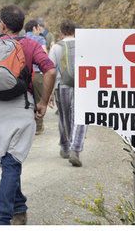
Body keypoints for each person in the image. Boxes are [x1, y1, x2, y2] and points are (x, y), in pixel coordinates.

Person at [0, 5, 55, 225]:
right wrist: (42, 101)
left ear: (2, 24)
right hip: (21, 107)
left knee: (9, 162)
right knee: (12, 162)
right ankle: (1, 219)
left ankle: (18, 208)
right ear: (22, 25)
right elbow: (50, 70)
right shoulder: (31, 45)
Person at [48, 20, 86, 166]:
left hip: (62, 86)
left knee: (65, 117)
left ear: (61, 31)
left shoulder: (56, 47)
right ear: (75, 31)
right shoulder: (83, 45)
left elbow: (51, 71)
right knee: (80, 117)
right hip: (82, 87)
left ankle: (65, 147)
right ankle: (75, 149)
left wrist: (50, 93)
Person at [24, 19, 48, 135]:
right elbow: (44, 56)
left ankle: (28, 125)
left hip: (25, 74)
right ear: (34, 28)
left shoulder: (22, 39)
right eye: (38, 28)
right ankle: (38, 127)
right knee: (39, 99)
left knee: (27, 99)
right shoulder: (40, 39)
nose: (40, 30)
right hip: (37, 74)